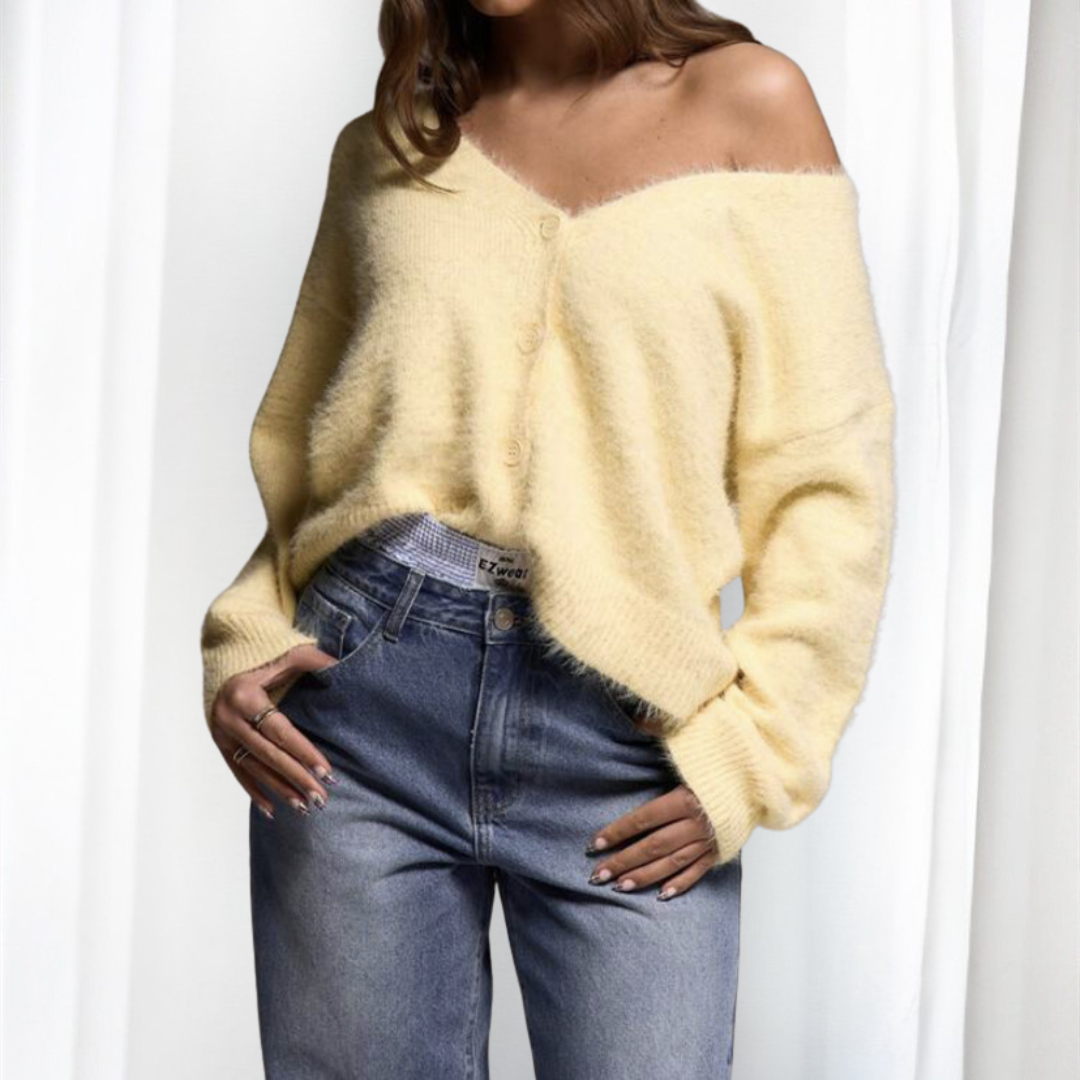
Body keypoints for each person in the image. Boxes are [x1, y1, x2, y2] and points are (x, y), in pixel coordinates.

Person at [199, 3, 897, 1077]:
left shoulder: (753, 105)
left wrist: (756, 754)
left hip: (625, 738)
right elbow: (311, 439)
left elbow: (827, 477)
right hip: (360, 716)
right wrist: (247, 634)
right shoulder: (394, 143)